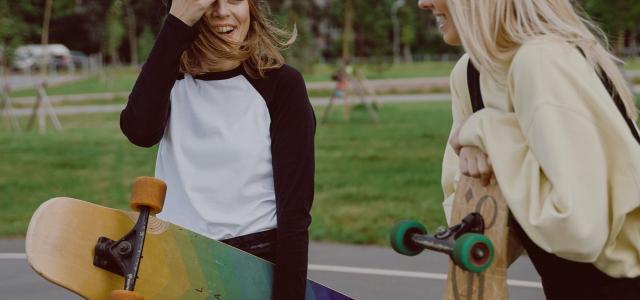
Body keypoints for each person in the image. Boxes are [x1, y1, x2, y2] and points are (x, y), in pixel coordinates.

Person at [418, 0, 640, 299]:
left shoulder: (543, 60)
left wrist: (484, 129)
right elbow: (477, 224)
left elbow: (580, 230)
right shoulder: (470, 74)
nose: (423, 3)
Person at [120, 0, 314, 298]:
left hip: (254, 259)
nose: (222, 11)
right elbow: (140, 132)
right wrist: (176, 24)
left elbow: (295, 214)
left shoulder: (282, 85)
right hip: (178, 256)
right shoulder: (169, 80)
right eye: (209, 1)